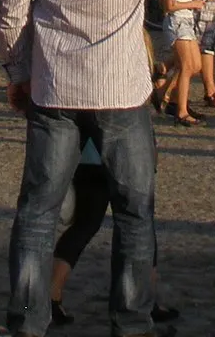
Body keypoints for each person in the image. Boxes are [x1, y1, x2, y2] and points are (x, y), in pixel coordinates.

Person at [0, 0, 187, 337]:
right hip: (122, 90)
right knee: (134, 211)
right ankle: (131, 319)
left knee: (39, 211)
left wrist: (18, 73)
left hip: (55, 87)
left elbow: (12, 14)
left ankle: (29, 320)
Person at [48, 138, 179, 330]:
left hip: (88, 155)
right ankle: (143, 299)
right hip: (127, 152)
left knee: (84, 226)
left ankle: (51, 295)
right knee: (137, 225)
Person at [153, 0, 204, 126]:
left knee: (196, 66)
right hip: (177, 22)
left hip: (187, 21)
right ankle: (181, 110)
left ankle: (162, 84)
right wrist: (193, 3)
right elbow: (170, 5)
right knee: (186, 67)